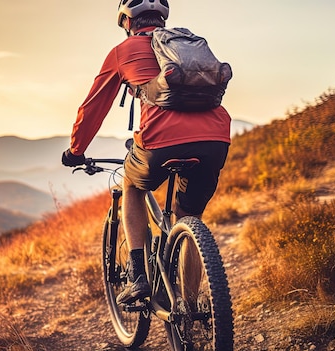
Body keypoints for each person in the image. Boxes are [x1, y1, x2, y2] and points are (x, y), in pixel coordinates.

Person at [61, 0, 231, 305]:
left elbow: (93, 108)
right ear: (162, 20)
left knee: (131, 184)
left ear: (128, 22)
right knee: (189, 215)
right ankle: (189, 308)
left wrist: (76, 150)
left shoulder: (122, 52)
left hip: (159, 141)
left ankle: (137, 274)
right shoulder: (187, 46)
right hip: (215, 138)